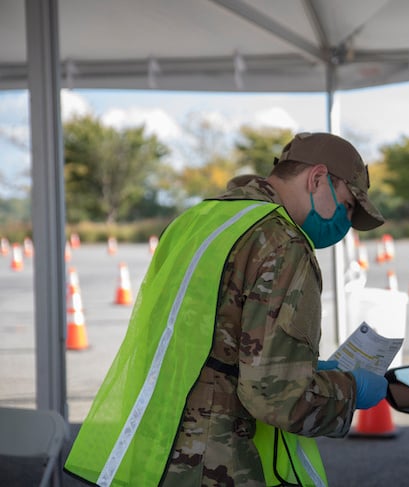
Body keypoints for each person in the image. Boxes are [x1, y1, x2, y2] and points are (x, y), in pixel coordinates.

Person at [64, 132, 388, 486]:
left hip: (154, 448)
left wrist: (302, 365)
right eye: (347, 205)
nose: (345, 223)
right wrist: (352, 390)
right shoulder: (284, 243)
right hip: (214, 461)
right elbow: (275, 396)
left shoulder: (196, 219)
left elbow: (204, 336)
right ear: (315, 179)